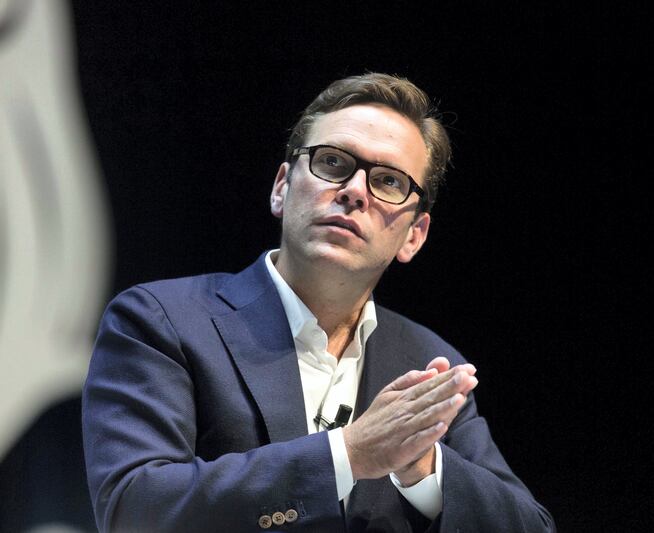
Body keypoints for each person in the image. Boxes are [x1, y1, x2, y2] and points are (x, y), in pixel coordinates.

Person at [82, 73, 555, 532]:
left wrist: (426, 469)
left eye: (389, 182)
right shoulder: (161, 320)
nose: (353, 192)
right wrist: (349, 454)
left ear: (414, 235)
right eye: (332, 163)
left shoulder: (431, 365)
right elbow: (133, 509)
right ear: (282, 187)